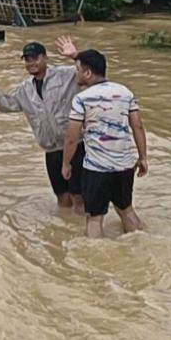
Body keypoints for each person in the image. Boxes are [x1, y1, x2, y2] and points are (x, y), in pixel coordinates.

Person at [0, 37, 84, 210]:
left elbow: (92, 69)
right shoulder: (25, 89)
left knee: (79, 198)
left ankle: (86, 233)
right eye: (27, 59)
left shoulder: (67, 74)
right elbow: (6, 104)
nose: (31, 62)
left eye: (35, 58)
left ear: (45, 58)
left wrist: (75, 55)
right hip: (51, 150)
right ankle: (66, 230)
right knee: (62, 199)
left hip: (76, 145)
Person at [61, 49, 148, 238]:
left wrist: (66, 164)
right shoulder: (125, 92)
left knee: (94, 218)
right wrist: (143, 157)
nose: (75, 73)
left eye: (77, 70)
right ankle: (142, 243)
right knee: (126, 210)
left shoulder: (81, 99)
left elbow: (71, 137)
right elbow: (138, 127)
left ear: (88, 72)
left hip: (96, 168)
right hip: (124, 166)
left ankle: (95, 261)